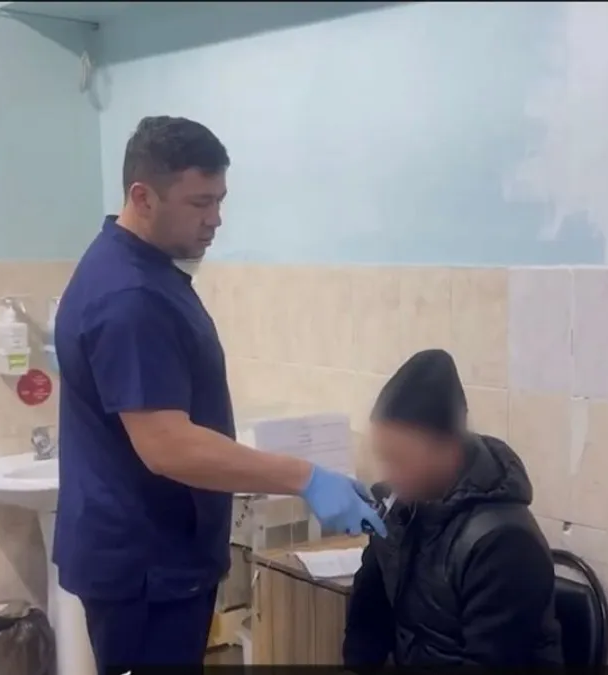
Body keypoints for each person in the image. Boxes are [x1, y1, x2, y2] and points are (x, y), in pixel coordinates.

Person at [53, 115, 387, 671]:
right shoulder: (130, 295)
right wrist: (303, 477)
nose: (216, 219)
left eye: (220, 200)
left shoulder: (140, 269)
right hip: (147, 569)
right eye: (199, 203)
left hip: (154, 559)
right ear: (142, 196)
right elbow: (168, 446)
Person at [342, 349, 563, 666]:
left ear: (447, 448)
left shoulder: (504, 543)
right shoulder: (400, 508)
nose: (389, 475)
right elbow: (368, 619)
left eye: (400, 460)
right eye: (384, 458)